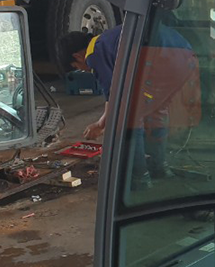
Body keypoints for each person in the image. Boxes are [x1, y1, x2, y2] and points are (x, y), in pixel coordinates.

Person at [59, 26, 194, 190]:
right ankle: (159, 168)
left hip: (161, 60)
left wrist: (101, 125)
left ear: (77, 56)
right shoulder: (107, 40)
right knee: (156, 110)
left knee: (129, 117)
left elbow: (114, 96)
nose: (84, 70)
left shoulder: (94, 54)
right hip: (186, 60)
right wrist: (102, 123)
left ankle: (140, 177)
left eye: (77, 67)